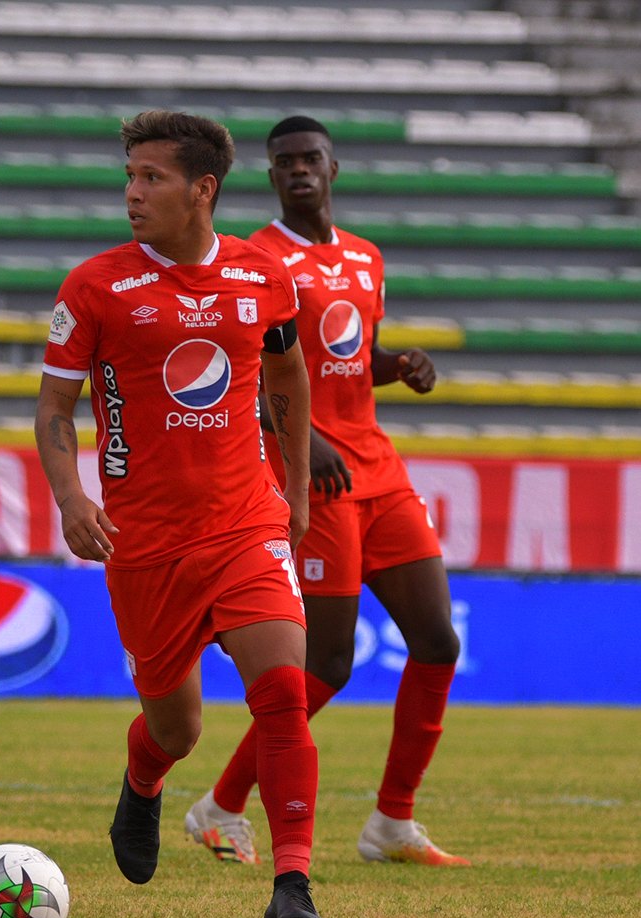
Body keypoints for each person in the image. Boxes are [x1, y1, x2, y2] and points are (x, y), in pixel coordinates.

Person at [35, 110, 324, 918]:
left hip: (245, 524)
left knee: (281, 694)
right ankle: (145, 777)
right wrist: (71, 497)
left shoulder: (264, 275)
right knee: (179, 726)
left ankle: (294, 884)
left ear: (202, 190)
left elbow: (289, 378)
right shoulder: (94, 286)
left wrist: (294, 493)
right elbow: (54, 407)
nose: (131, 193)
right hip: (146, 543)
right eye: (129, 177)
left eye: (150, 178)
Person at [183, 116, 467, 868]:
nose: (298, 170)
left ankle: (392, 823)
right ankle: (218, 805)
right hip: (313, 477)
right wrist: (304, 441)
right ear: (271, 176)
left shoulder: (366, 259)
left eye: (310, 158)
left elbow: (346, 356)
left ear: (333, 168)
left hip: (379, 468)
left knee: (438, 642)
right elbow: (241, 372)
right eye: (284, 163)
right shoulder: (253, 261)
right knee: (326, 665)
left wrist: (395, 364)